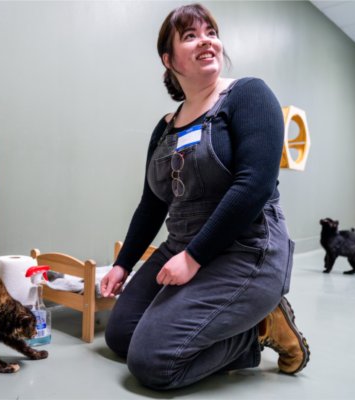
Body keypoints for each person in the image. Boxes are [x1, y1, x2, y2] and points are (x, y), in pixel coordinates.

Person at [101, 3, 310, 390]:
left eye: (211, 32)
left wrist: (194, 258)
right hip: (181, 247)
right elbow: (152, 203)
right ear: (169, 60)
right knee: (121, 335)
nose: (207, 41)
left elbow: (255, 186)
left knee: (152, 363)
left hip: (246, 250)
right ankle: (249, 326)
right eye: (191, 36)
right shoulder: (165, 128)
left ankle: (258, 331)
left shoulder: (248, 94)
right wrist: (122, 264)